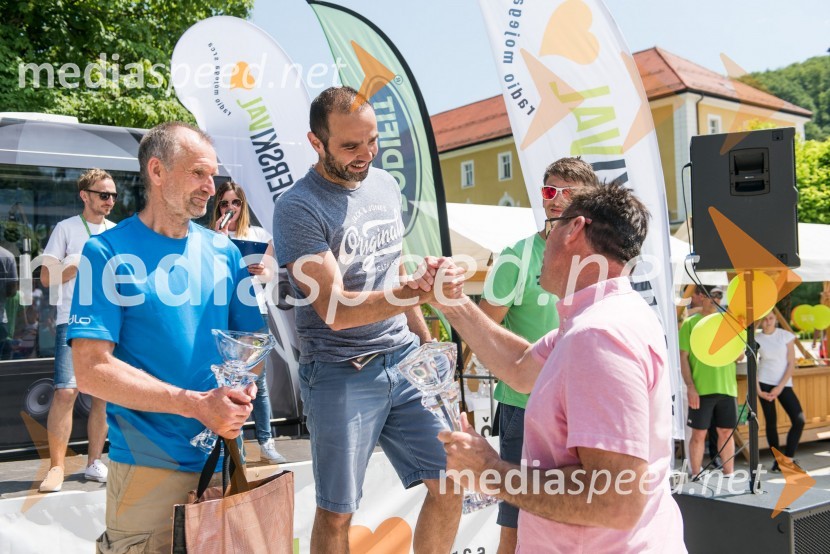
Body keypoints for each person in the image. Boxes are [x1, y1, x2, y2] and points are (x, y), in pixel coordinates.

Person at [436, 181, 685, 552]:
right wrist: (451, 302)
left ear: (574, 229)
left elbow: (615, 500)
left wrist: (492, 472)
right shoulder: (601, 318)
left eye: (550, 228)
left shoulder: (598, 334)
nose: (543, 240)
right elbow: (520, 366)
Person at [272, 86, 463, 553]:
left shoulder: (385, 184)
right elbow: (334, 310)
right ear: (316, 142)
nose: (366, 154)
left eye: (372, 140)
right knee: (337, 512)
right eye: (350, 146)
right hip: (340, 371)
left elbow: (391, 269)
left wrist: (426, 344)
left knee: (454, 482)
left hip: (405, 361)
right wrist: (418, 291)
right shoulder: (297, 207)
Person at [68, 122, 263, 553]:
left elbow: (254, 344)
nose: (210, 187)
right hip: (148, 471)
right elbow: (91, 370)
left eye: (212, 175)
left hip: (226, 461)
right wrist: (196, 404)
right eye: (198, 173)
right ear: (157, 171)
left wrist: (242, 384)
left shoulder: (225, 252)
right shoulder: (106, 252)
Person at [478, 156, 597, 554]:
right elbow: (483, 330)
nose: (556, 199)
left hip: (583, 407)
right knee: (516, 521)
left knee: (579, 518)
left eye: (568, 192)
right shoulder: (516, 256)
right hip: (524, 406)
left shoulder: (598, 257)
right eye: (549, 190)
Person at [38, 168, 116, 493]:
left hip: (107, 321)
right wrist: (78, 264)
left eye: (113, 195)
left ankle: (94, 462)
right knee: (66, 392)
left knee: (102, 395)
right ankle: (56, 467)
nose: (110, 200)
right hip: (72, 320)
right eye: (104, 194)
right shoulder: (66, 228)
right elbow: (46, 277)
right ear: (85, 195)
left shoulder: (117, 231)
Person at [209, 180, 287, 464]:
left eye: (236, 202)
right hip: (223, 312)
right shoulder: (209, 236)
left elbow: (270, 275)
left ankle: (266, 442)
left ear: (243, 206)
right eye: (225, 203)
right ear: (218, 207)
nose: (230, 208)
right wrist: (218, 240)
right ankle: (233, 444)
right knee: (225, 380)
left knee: (257, 381)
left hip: (254, 310)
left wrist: (260, 270)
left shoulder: (258, 234)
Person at [679, 285, 741, 478]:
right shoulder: (690, 323)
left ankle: (729, 474)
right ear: (701, 297)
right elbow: (683, 357)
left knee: (726, 432)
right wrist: (690, 386)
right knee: (699, 433)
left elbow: (739, 355)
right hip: (701, 388)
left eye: (720, 295)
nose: (716, 299)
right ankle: (695, 474)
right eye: (712, 294)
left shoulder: (729, 323)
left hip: (727, 387)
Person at [756, 311, 804, 471]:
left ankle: (788, 459)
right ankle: (778, 462)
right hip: (764, 383)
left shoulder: (785, 336)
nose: (768, 321)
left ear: (776, 319)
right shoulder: (756, 339)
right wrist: (758, 390)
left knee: (799, 419)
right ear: (760, 321)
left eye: (771, 318)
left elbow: (791, 363)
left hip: (783, 384)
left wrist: (780, 387)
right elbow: (752, 367)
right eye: (764, 319)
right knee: (771, 423)